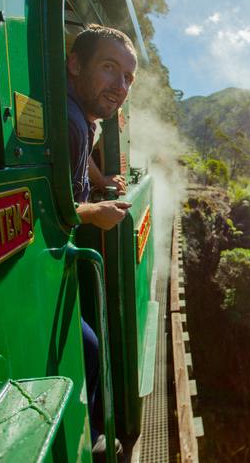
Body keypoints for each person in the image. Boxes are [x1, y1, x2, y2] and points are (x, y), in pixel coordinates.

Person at [66, 24, 138, 455]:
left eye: (128, 77)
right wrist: (96, 212)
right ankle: (92, 439)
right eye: (110, 69)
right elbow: (44, 211)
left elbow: (85, 149)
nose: (121, 85)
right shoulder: (71, 122)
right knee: (90, 346)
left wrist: (99, 178)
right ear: (75, 64)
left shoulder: (82, 118)